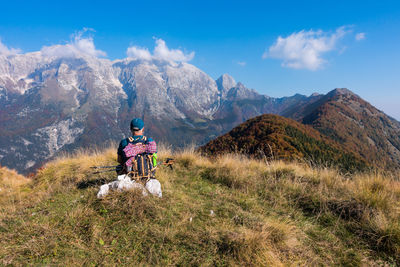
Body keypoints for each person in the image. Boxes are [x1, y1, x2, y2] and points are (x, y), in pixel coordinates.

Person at [97, 118, 162, 198]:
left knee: (119, 168)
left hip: (131, 176)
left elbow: (119, 160)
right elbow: (154, 160)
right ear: (143, 129)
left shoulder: (125, 142)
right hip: (148, 176)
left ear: (131, 129)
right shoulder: (149, 142)